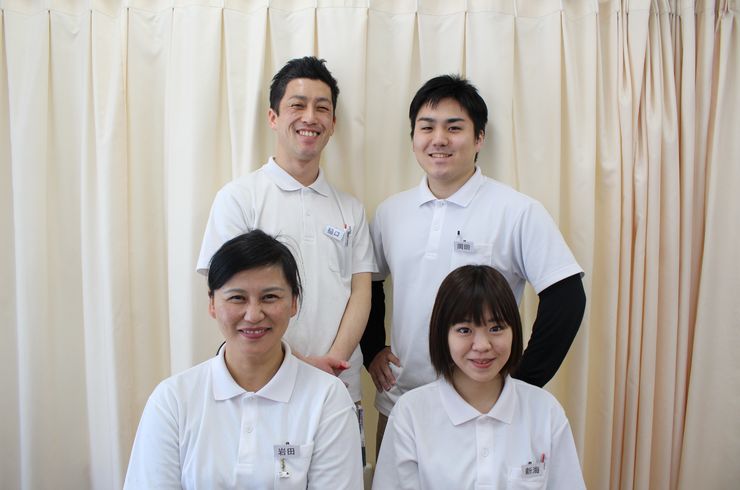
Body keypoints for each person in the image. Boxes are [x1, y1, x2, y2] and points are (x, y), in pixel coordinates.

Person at [361, 75, 586, 450]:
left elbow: (567, 297)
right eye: (427, 127)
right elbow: (369, 283)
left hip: (485, 409)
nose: (439, 139)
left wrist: (523, 382)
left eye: (454, 128)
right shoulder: (391, 212)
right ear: (413, 137)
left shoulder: (516, 211)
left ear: (479, 138)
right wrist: (372, 350)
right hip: (401, 404)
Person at [197, 56, 376, 403]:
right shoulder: (239, 198)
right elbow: (227, 294)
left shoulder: (351, 209)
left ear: (333, 124)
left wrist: (332, 362)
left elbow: (360, 294)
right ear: (273, 117)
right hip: (264, 384)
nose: (310, 117)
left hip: (340, 384)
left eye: (321, 108)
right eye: (298, 105)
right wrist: (297, 365)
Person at [125, 230, 363, 489]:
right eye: (237, 298)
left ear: (294, 302)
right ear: (212, 304)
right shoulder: (172, 400)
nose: (253, 315)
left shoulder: (328, 399)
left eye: (269, 297)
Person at [372, 265, 586, 489]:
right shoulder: (410, 414)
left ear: (514, 331)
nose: (482, 345)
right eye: (465, 330)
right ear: (442, 335)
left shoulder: (546, 411)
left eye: (496, 328)